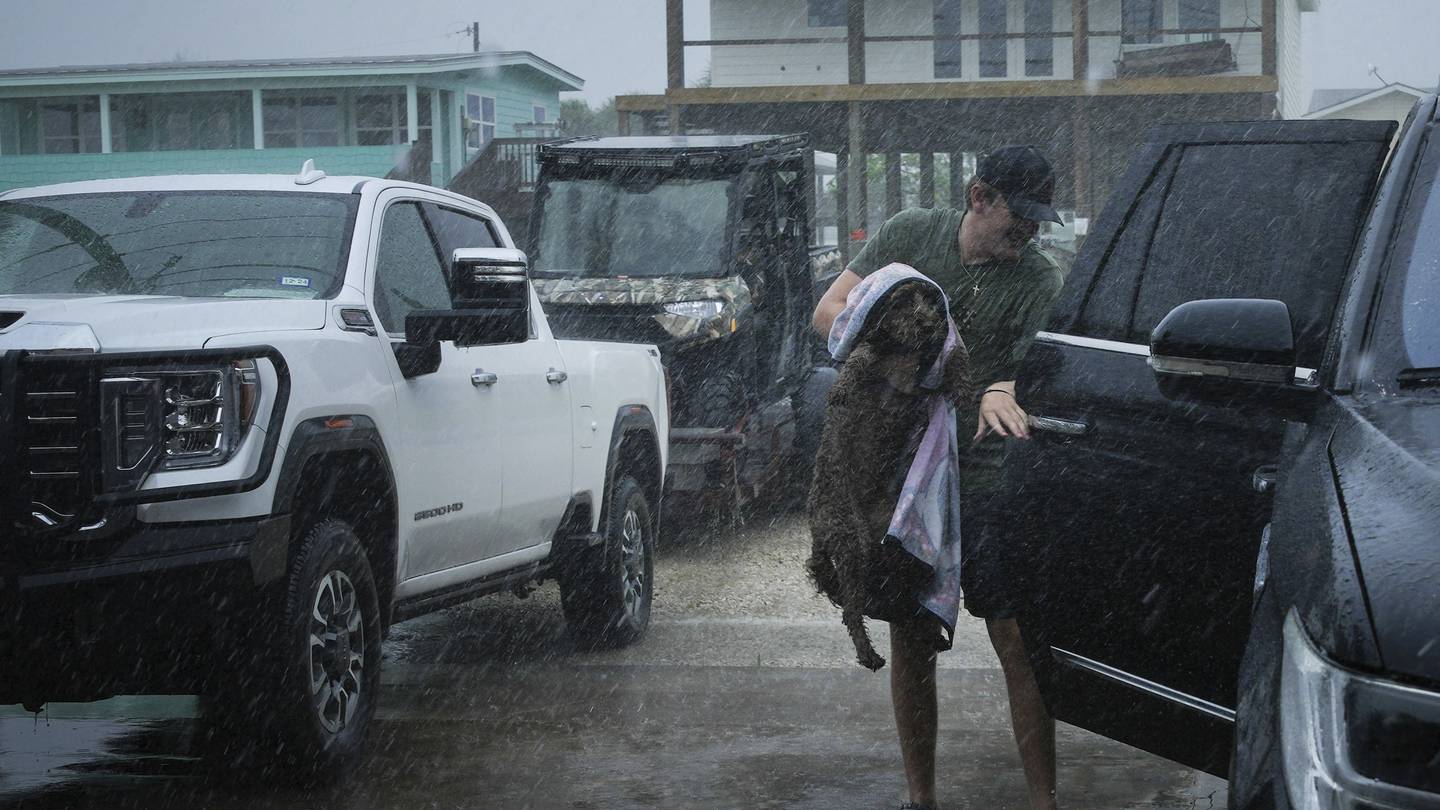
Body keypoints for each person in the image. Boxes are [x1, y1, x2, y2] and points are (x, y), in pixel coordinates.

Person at [812, 145, 1069, 810]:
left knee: (1017, 640)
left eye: (1040, 221)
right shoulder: (910, 237)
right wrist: (903, 352)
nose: (1030, 232)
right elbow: (830, 310)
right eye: (1021, 216)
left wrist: (1000, 389)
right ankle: (920, 798)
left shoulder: (1040, 283)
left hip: (987, 487)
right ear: (980, 196)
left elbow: (1031, 376)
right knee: (912, 639)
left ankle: (1045, 801)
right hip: (908, 486)